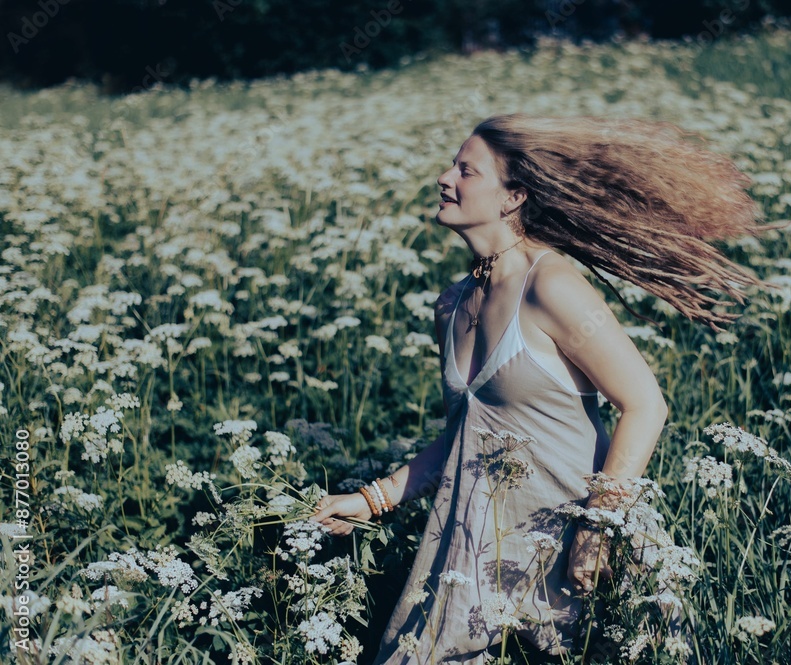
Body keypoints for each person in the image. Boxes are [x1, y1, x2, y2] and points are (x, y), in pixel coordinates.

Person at [311, 114, 763, 663]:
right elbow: (459, 442)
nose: (443, 178)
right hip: (475, 560)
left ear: (513, 196)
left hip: (574, 555)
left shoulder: (550, 285)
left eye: (465, 170)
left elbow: (645, 403)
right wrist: (369, 501)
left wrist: (598, 528)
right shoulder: (450, 306)